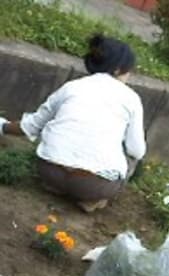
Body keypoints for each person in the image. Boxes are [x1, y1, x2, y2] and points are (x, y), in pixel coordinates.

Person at [0, 34, 146, 212]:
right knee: (132, 155)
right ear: (117, 70)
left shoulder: (72, 87)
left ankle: (57, 187)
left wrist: (3, 126)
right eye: (128, 70)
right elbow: (137, 150)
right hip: (94, 184)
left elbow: (31, 125)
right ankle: (92, 200)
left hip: (48, 171)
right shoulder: (131, 98)